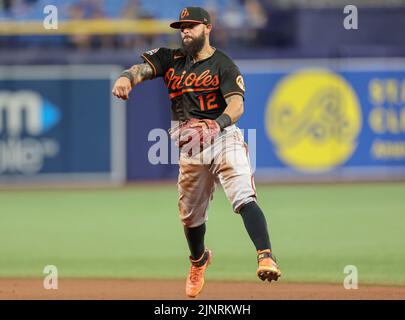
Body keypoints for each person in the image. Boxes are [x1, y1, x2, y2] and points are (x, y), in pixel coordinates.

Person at [112, 6, 281, 298]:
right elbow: (141, 69)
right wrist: (127, 77)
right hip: (190, 144)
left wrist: (217, 125)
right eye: (182, 27)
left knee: (243, 195)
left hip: (223, 136)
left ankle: (265, 255)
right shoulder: (170, 57)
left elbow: (237, 106)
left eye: (191, 26)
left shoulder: (223, 64)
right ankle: (198, 260)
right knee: (190, 216)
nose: (185, 31)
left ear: (207, 28)